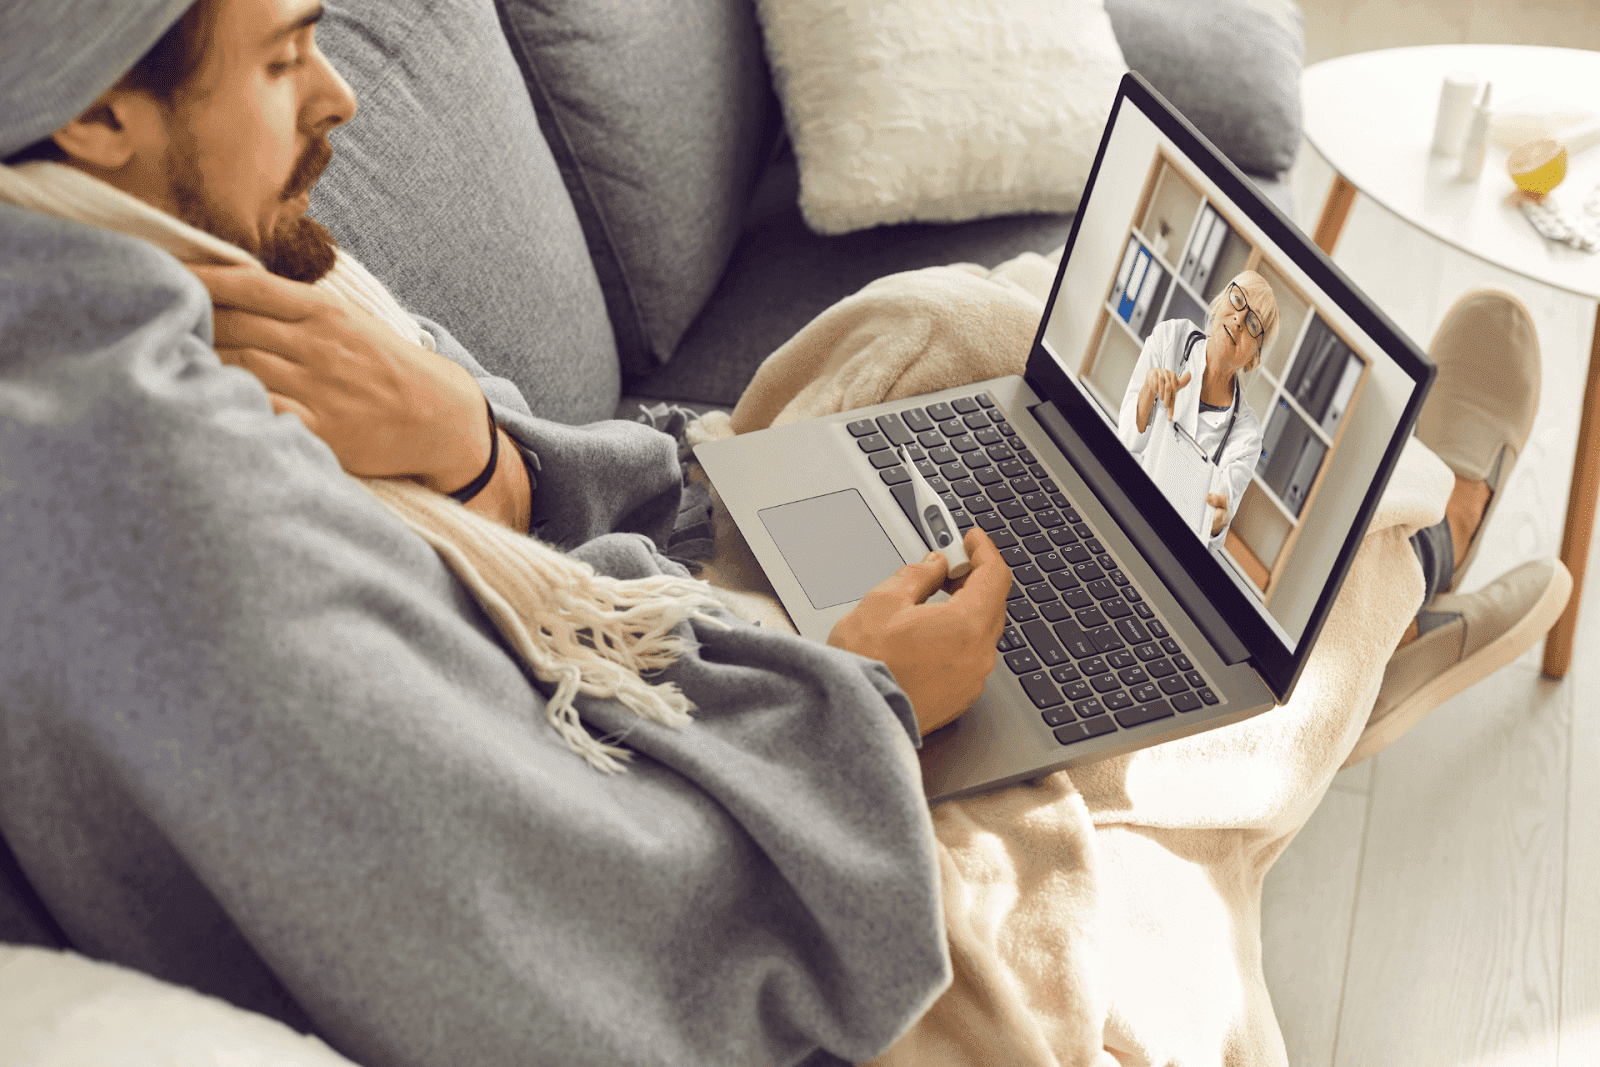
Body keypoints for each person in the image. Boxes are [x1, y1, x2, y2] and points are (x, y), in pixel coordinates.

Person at [0, 0, 1570, 1063]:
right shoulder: (159, 512)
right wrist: (874, 693)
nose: (335, 92)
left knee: (962, 331)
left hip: (605, 621)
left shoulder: (183, 273)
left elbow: (474, 528)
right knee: (1142, 802)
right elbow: (568, 920)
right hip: (672, 784)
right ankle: (1399, 572)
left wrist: (485, 450)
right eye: (281, 59)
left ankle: (1349, 571)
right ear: (93, 119)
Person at [1115, 270, 1275, 547]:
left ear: (1253, 360)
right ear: (1217, 305)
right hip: (1123, 503)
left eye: (1253, 323)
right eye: (1237, 299)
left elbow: (1214, 526)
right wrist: (1148, 391)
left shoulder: (1247, 437)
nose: (1239, 319)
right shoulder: (1171, 338)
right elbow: (1128, 438)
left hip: (1169, 546)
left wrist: (1217, 522)